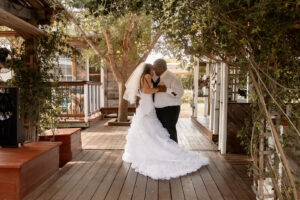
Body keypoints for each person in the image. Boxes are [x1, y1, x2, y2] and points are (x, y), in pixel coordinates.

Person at [122, 62, 208, 180]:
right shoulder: (154, 77)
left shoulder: (173, 78)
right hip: (156, 109)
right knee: (158, 133)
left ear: (161, 67)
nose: (154, 70)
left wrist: (166, 90)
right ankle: (158, 152)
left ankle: (173, 153)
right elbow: (144, 89)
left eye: (155, 68)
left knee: (169, 130)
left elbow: (179, 93)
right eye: (152, 68)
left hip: (170, 108)